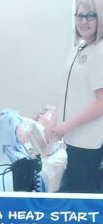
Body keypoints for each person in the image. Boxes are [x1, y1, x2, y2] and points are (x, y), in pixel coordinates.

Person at [46, 0, 103, 193]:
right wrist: (53, 121)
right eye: (80, 15)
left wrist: (65, 126)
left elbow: (101, 103)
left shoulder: (101, 50)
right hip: (73, 138)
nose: (83, 21)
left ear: (100, 18)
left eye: (90, 16)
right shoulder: (79, 46)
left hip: (90, 140)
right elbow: (67, 91)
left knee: (79, 195)